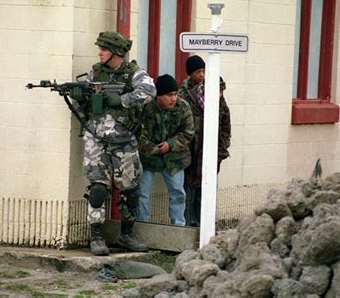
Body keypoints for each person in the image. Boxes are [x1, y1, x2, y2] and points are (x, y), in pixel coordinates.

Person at [70, 31, 156, 255]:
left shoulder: (134, 74)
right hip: (96, 138)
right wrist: (80, 96)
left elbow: (149, 91)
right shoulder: (95, 73)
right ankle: (96, 237)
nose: (99, 53)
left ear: (116, 52)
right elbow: (83, 102)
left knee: (130, 188)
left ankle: (126, 235)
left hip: (124, 140)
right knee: (98, 188)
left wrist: (123, 100)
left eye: (104, 49)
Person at [179, 55, 231, 227]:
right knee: (188, 188)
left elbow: (225, 122)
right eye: (198, 72)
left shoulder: (214, 92)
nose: (201, 75)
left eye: (203, 71)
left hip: (210, 150)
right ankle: (189, 224)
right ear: (190, 74)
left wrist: (222, 148)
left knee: (206, 188)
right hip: (191, 149)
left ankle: (205, 225)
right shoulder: (184, 95)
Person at [136, 74, 194, 226]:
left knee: (177, 193)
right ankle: (143, 226)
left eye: (175, 94)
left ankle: (178, 227)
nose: (173, 98)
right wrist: (152, 148)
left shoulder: (183, 107)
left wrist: (170, 144)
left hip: (174, 158)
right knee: (142, 194)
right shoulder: (146, 108)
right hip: (149, 157)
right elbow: (138, 133)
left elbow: (188, 132)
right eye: (169, 95)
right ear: (159, 95)